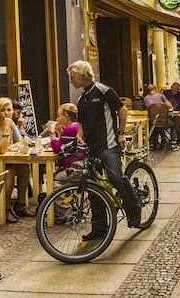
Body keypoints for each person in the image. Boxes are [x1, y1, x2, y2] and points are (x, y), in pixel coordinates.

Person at [67, 60, 141, 237]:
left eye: (72, 77)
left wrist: (121, 133)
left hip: (108, 145)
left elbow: (122, 110)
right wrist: (79, 134)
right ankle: (100, 228)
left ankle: (135, 209)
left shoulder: (102, 90)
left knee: (116, 177)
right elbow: (82, 122)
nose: (71, 80)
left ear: (82, 75)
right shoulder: (81, 98)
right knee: (92, 188)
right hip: (91, 148)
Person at [42, 103, 83, 221]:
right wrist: (60, 134)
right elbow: (65, 146)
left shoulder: (71, 128)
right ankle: (70, 205)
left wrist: (51, 132)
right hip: (80, 164)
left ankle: (64, 213)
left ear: (66, 116)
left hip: (76, 166)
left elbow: (56, 148)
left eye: (59, 115)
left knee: (56, 180)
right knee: (60, 175)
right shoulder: (75, 127)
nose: (57, 119)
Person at [143, 84, 172, 149]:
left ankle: (155, 141)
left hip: (152, 122)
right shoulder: (161, 96)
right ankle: (172, 141)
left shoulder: (146, 98)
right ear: (156, 89)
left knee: (156, 124)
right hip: (164, 121)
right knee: (173, 123)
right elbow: (170, 106)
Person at [163, 82, 180, 150]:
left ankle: (175, 139)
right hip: (167, 114)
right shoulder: (166, 93)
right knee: (171, 122)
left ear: (178, 90)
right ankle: (175, 140)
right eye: (172, 90)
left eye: (175, 90)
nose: (173, 92)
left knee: (176, 120)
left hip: (177, 113)